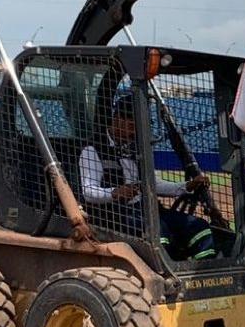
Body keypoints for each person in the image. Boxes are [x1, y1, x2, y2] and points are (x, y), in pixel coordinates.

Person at [79, 96, 218, 260]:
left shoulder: (138, 149)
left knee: (199, 227)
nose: (134, 133)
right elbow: (88, 191)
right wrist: (115, 193)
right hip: (115, 215)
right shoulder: (92, 150)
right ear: (117, 120)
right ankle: (167, 272)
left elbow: (154, 184)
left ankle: (205, 271)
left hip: (145, 210)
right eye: (131, 126)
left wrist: (186, 186)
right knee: (159, 231)